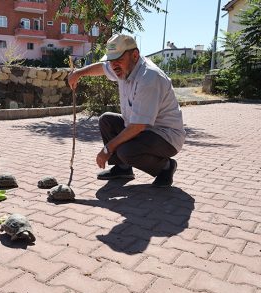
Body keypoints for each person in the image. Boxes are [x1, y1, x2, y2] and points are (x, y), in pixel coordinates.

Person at [68, 34, 186, 187]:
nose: (113, 66)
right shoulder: (123, 68)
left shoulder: (148, 77)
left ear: (135, 55)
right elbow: (102, 68)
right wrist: (78, 73)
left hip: (165, 136)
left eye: (118, 60)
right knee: (107, 120)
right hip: (145, 130)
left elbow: (138, 126)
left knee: (125, 151)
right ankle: (123, 169)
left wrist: (107, 149)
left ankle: (166, 167)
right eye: (111, 61)